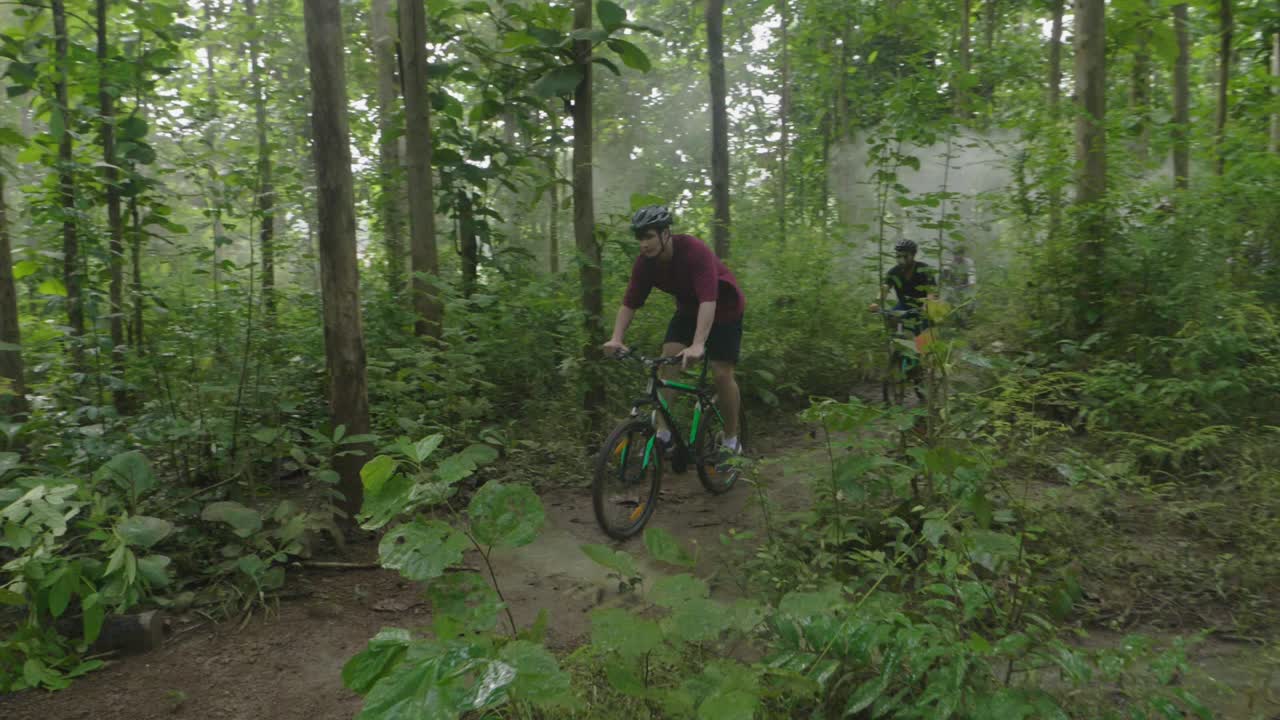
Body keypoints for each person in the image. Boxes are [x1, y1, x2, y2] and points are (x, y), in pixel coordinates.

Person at [601, 205, 745, 469]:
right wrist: (616, 338)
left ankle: (732, 439)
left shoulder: (693, 251)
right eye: (640, 238)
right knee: (667, 362)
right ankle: (664, 434)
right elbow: (630, 302)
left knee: (721, 372)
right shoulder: (645, 264)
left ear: (666, 234)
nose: (644, 244)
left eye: (649, 236)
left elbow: (708, 299)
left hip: (723, 307)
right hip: (688, 310)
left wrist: (699, 344)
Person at [869, 238, 936, 336]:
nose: (901, 259)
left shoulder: (924, 269)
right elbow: (885, 288)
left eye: (905, 256)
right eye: (898, 256)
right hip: (903, 305)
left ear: (913, 255)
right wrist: (876, 303)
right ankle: (897, 341)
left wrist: (927, 306)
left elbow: (932, 291)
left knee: (924, 332)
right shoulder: (894, 272)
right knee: (891, 318)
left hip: (923, 306)